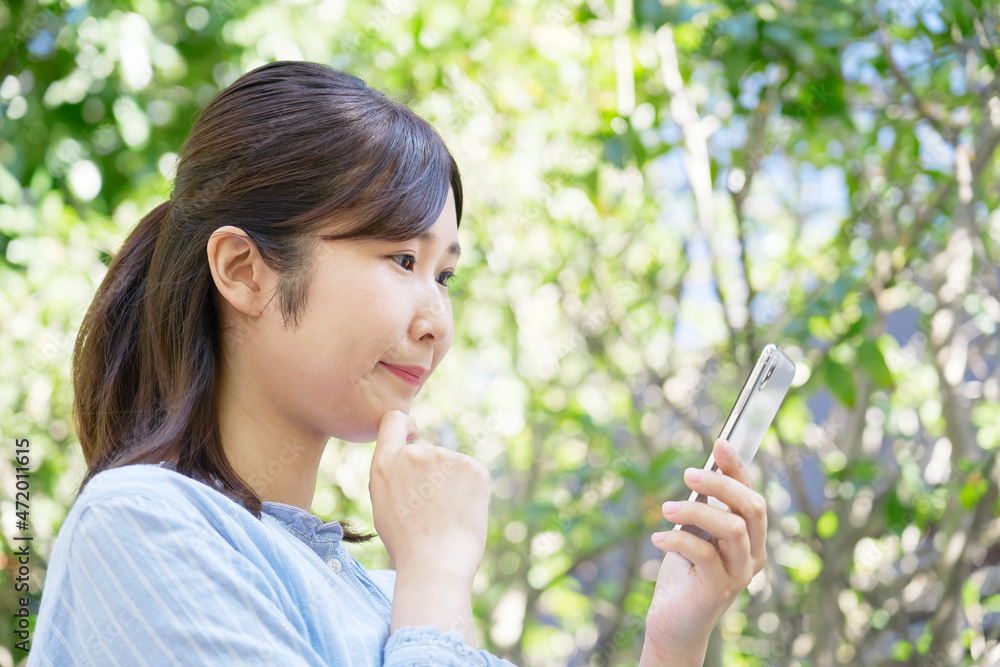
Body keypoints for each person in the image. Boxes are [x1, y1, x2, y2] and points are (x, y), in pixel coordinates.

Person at [28, 61, 767, 666]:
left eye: (444, 275)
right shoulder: (139, 527)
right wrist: (439, 571)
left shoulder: (387, 601)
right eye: (402, 258)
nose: (435, 319)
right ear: (246, 270)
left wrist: (672, 641)